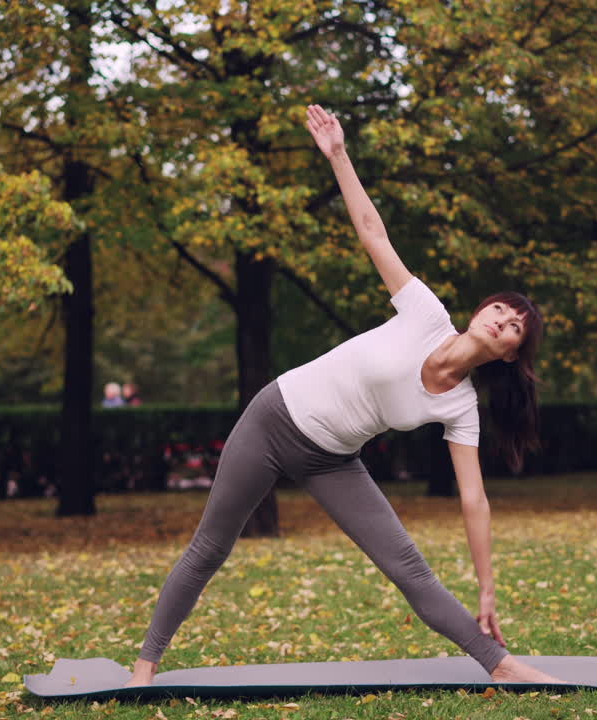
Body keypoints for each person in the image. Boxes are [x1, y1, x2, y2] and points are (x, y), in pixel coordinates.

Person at [126, 105, 562, 686]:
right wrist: (338, 155)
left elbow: (474, 499)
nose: (503, 321)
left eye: (514, 328)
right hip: (274, 419)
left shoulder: (461, 407)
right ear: (482, 309)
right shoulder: (424, 313)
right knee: (211, 546)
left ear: (510, 354)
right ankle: (145, 664)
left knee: (408, 567)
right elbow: (372, 232)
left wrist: (487, 586)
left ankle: (499, 664)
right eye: (501, 309)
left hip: (333, 458)